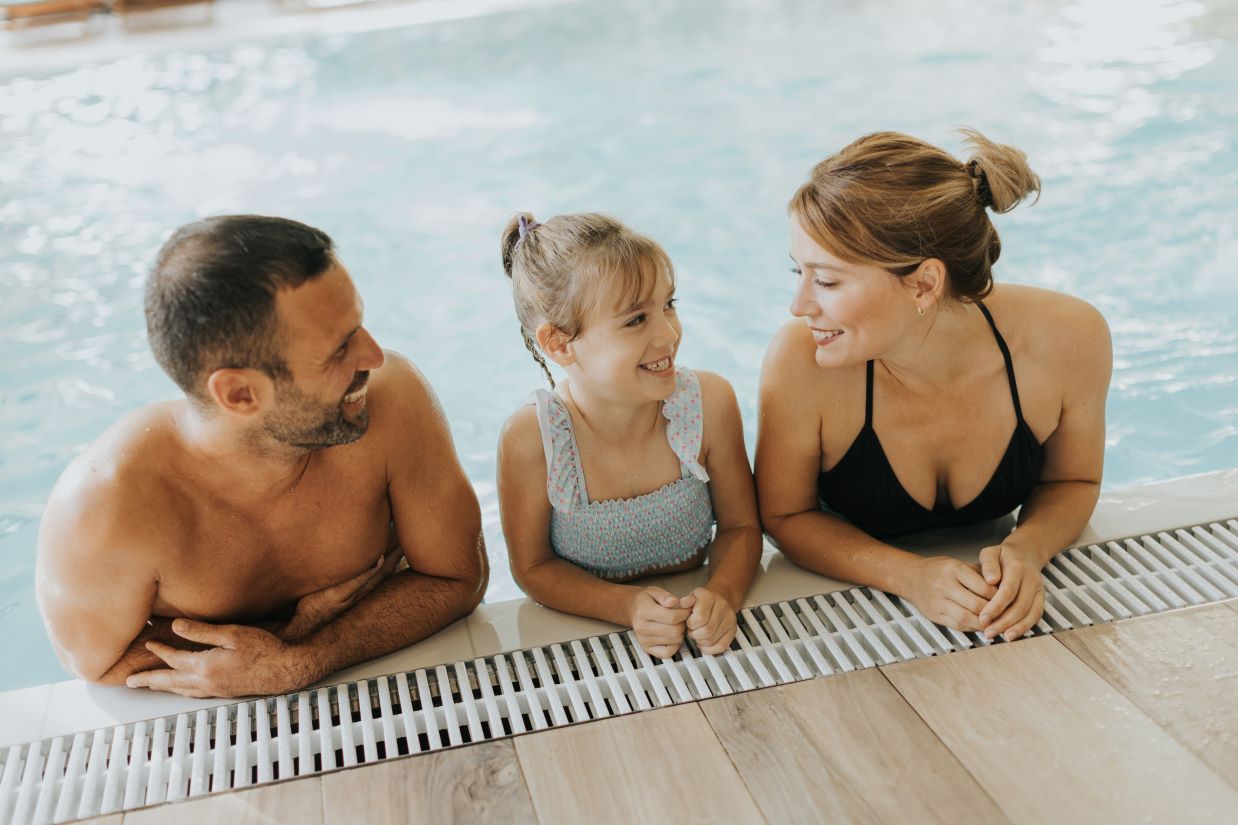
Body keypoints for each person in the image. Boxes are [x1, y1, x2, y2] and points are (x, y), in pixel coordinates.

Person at [36, 215, 488, 699]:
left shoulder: (392, 400)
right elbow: (97, 664)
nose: (374, 357)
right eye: (338, 351)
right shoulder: (106, 507)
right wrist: (295, 628)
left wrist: (306, 659)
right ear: (239, 394)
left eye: (358, 324)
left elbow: (459, 576)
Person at [757, 130, 1112, 642]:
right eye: (799, 272)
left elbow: (1072, 481)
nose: (799, 305)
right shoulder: (801, 360)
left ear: (924, 283)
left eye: (827, 281)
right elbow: (787, 514)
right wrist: (908, 576)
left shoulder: (1068, 337)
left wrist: (1026, 549)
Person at [496, 213, 762, 659]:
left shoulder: (707, 404)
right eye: (636, 320)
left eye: (669, 305)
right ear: (560, 344)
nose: (668, 333)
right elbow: (533, 568)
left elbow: (740, 527)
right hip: (589, 636)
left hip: (691, 622)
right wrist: (627, 606)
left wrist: (723, 594)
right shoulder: (534, 439)